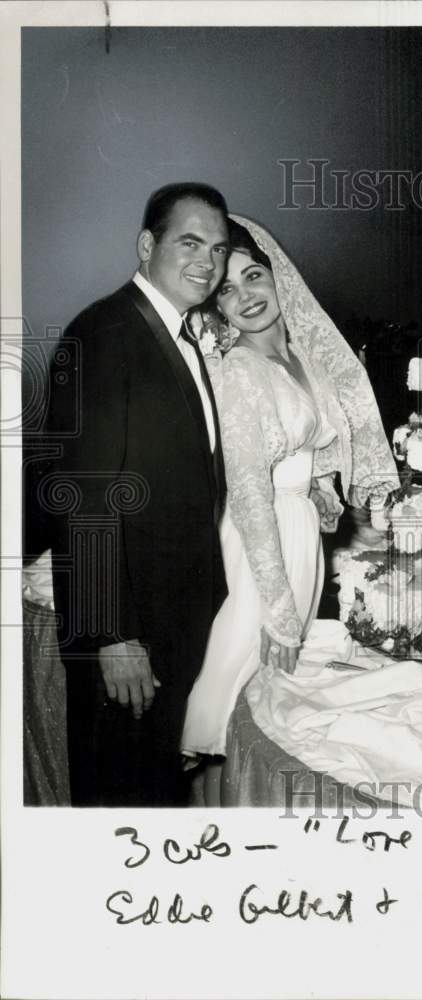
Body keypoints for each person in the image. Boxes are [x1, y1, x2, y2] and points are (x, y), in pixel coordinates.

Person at [181, 215, 398, 804]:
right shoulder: (239, 372)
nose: (245, 296)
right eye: (225, 289)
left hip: (300, 532)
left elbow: (314, 441)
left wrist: (324, 490)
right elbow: (249, 489)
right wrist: (274, 602)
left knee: (274, 696)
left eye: (253, 276)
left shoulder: (304, 358)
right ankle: (206, 822)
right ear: (215, 307)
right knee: (231, 687)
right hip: (258, 543)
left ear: (280, 279)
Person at [44, 183, 230, 806]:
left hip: (171, 621)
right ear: (147, 244)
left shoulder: (174, 333)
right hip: (128, 637)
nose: (208, 260)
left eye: (219, 248)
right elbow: (83, 496)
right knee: (120, 805)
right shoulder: (105, 332)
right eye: (190, 241)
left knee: (154, 794)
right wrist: (111, 635)